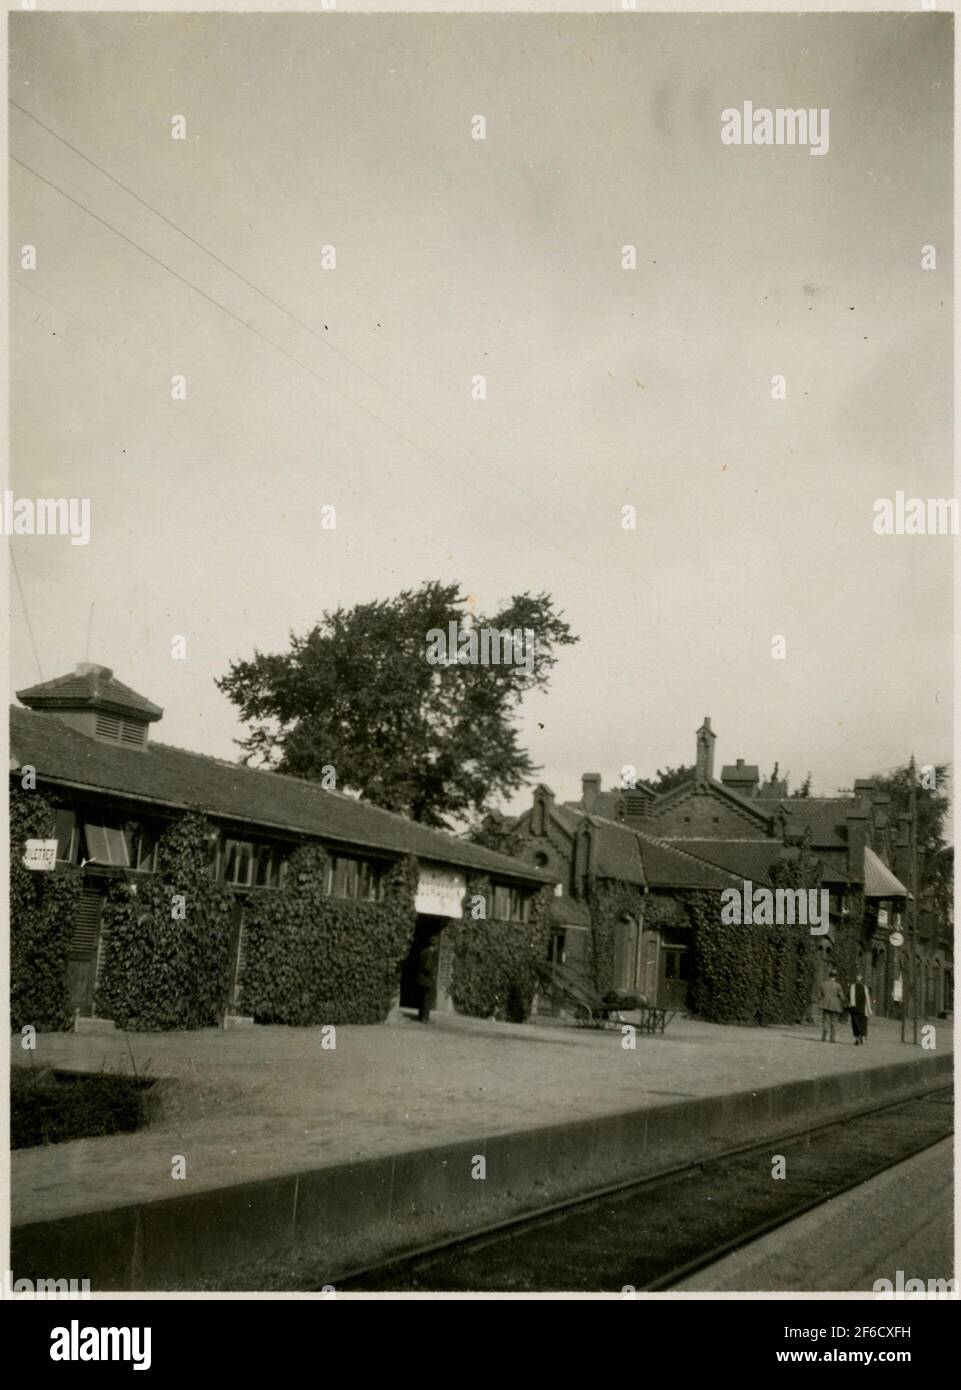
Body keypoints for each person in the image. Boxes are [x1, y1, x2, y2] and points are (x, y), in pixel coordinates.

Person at [416, 939, 439, 1024]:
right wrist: (432, 976)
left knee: (422, 997)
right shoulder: (429, 953)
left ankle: (420, 1016)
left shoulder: (423, 951)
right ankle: (425, 1018)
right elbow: (428, 967)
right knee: (427, 998)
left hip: (421, 979)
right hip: (427, 979)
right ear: (434, 946)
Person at [819, 969, 846, 1043]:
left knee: (825, 1020)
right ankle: (832, 1038)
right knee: (834, 1022)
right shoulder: (838, 985)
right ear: (835, 976)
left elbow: (821, 995)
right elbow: (841, 997)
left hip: (826, 1004)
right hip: (835, 1005)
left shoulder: (823, 984)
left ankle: (824, 1035)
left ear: (829, 975)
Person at [848, 972, 873, 1045]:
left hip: (854, 1008)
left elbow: (849, 996)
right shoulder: (865, 987)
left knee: (855, 1024)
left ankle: (857, 1038)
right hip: (863, 1009)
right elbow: (868, 999)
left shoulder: (852, 986)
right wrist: (869, 1010)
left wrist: (850, 1005)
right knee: (862, 1023)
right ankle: (861, 1036)